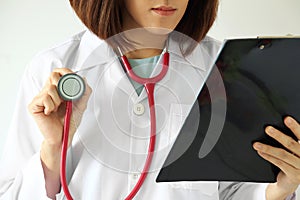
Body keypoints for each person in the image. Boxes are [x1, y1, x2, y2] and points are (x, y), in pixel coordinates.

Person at [0, 0, 299, 199]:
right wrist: (53, 148)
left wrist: (276, 190)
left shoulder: (223, 67)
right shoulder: (53, 67)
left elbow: (231, 190)